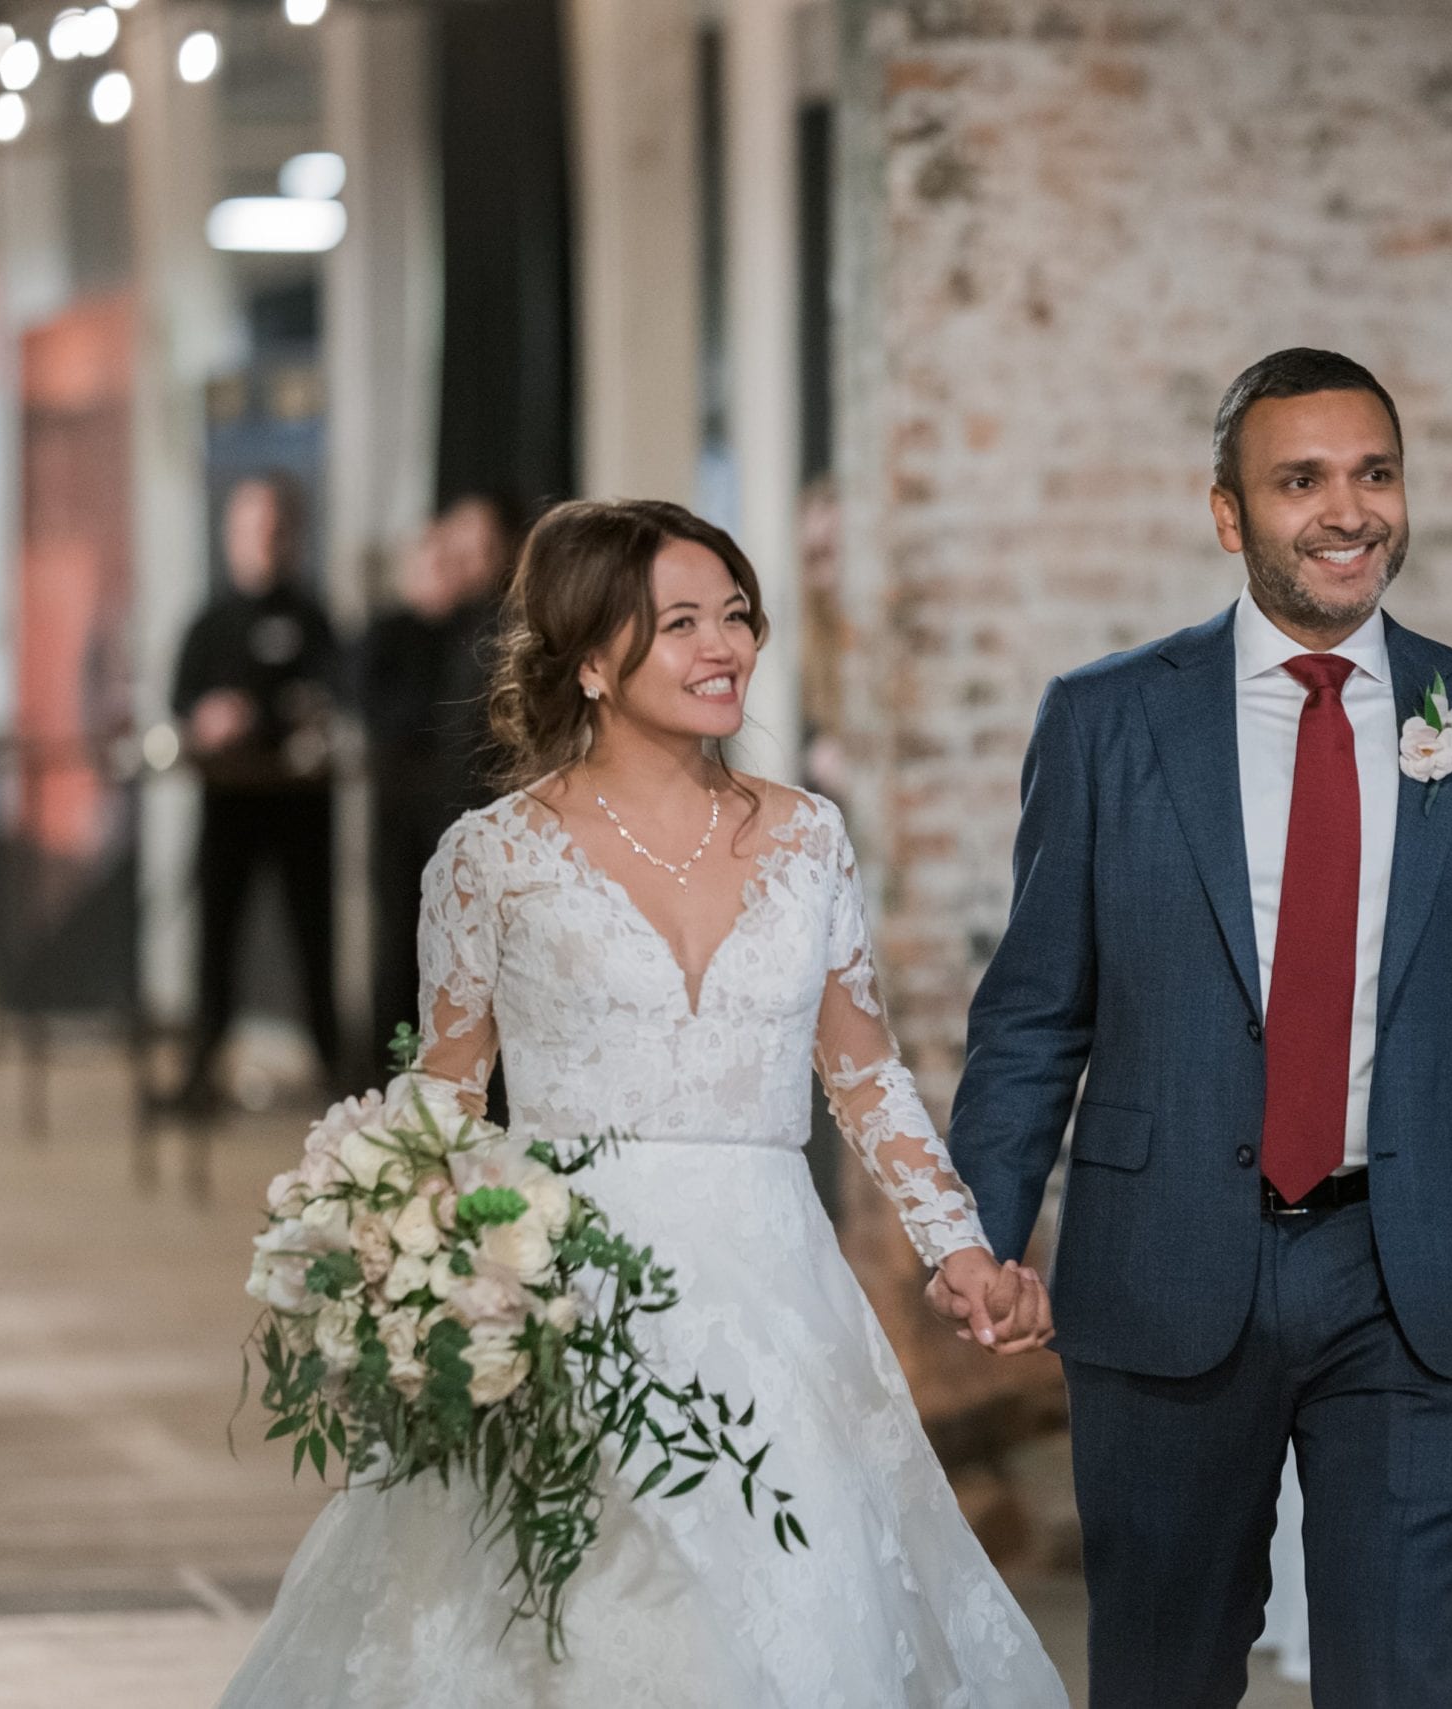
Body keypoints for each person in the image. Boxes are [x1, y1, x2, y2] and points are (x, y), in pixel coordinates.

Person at [219, 499, 1068, 1707]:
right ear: (591, 659)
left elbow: (865, 1071)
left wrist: (960, 1248)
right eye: (678, 623)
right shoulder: (490, 856)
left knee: (802, 1615)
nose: (723, 645)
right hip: (568, 1299)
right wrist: (396, 1270)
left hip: (780, 1306)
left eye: (734, 614)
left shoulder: (809, 836)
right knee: (580, 1630)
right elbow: (443, 1103)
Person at [938, 349, 1452, 1708]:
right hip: (1161, 1270)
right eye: (1301, 479)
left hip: (1413, 1279)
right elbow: (1032, 1014)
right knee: (1162, 1673)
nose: (1348, 510)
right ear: (1228, 515)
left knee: (1396, 1678)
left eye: (1374, 473)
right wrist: (980, 1234)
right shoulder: (1105, 722)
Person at [170, 473, 343, 1110]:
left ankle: (334, 1062)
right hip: (228, 806)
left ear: (292, 537)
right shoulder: (209, 623)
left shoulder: (312, 618)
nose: (262, 542)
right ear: (230, 537)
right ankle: (201, 1067)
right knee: (218, 937)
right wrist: (207, 720)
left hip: (300, 807)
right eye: (250, 529)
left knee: (311, 933)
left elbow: (329, 696)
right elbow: (181, 699)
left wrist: (264, 716)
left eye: (273, 529)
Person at [359, 494, 513, 1078]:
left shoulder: (485, 633)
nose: (457, 569)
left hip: (466, 822)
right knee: (402, 956)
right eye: (446, 556)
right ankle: (394, 1078)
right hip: (404, 827)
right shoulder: (393, 633)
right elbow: (383, 711)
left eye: (471, 555)